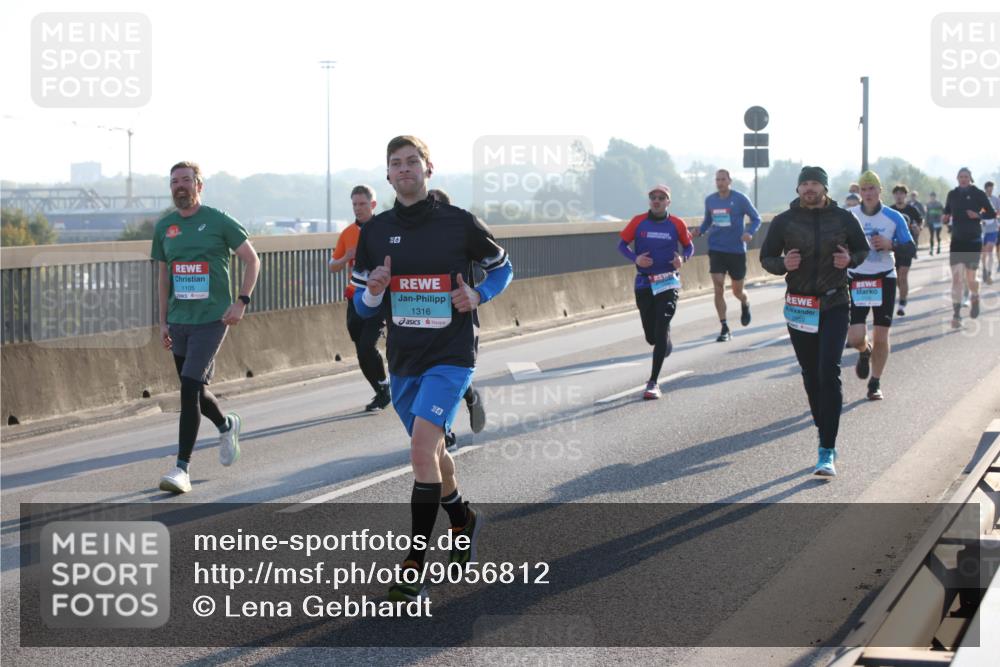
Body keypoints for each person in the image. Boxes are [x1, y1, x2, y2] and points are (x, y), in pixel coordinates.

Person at [352, 136, 513, 601]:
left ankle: (413, 564)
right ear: (388, 175)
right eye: (396, 164)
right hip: (404, 360)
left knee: (422, 449)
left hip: (452, 354)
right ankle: (463, 516)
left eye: (412, 162)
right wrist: (376, 291)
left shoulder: (458, 223)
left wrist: (478, 294)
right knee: (433, 453)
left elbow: (503, 268)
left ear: (428, 169)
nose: (404, 170)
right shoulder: (375, 231)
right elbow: (365, 311)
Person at [152, 161, 260, 494]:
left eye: (186, 180)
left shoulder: (217, 220)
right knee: (196, 389)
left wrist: (241, 301)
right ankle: (227, 425)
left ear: (199, 185)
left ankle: (181, 468)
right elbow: (163, 275)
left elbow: (252, 259)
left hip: (213, 319)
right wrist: (162, 321)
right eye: (174, 182)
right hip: (179, 320)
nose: (180, 186)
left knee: (188, 388)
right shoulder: (165, 227)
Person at [760, 166, 869, 477]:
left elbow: (861, 249)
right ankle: (824, 426)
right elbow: (766, 258)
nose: (809, 188)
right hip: (800, 306)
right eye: (804, 183)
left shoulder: (843, 218)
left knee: (828, 368)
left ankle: (827, 449)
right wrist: (783, 263)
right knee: (810, 373)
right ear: (798, 189)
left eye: (815, 183)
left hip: (835, 301)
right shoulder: (785, 221)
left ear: (824, 188)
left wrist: (850, 260)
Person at [618, 185, 694, 399]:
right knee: (652, 337)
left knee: (660, 327)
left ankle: (653, 382)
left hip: (668, 282)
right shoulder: (638, 221)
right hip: (644, 283)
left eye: (662, 198)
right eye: (653, 197)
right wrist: (636, 259)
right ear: (649, 200)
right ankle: (663, 340)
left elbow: (689, 247)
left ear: (668, 202)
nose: (657, 200)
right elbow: (622, 245)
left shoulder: (677, 223)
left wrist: (683, 259)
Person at [427, 187, 487, 451]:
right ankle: (447, 424)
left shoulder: (462, 233)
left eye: (433, 205)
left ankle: (453, 420)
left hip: (459, 322)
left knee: (449, 378)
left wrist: (476, 292)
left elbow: (493, 266)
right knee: (430, 378)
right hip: (426, 322)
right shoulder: (415, 238)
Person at [847, 171, 914, 401]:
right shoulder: (849, 216)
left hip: (884, 278)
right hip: (856, 278)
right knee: (855, 337)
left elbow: (910, 248)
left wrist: (891, 244)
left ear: (879, 191)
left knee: (881, 335)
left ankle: (875, 382)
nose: (867, 194)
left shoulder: (894, 217)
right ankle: (865, 352)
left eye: (871, 189)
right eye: (864, 189)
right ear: (859, 192)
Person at [330, 185, 391, 411]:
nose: (358, 208)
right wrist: (347, 256)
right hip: (354, 299)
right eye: (354, 204)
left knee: (367, 346)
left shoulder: (384, 229)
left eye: (363, 204)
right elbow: (332, 266)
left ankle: (384, 386)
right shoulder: (347, 233)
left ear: (373, 205)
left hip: (378, 298)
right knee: (360, 351)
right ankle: (381, 390)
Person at [691, 169, 761, 341]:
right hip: (717, 249)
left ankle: (745, 302)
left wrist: (749, 232)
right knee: (718, 286)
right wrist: (700, 231)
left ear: (730, 181)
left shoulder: (740, 199)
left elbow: (756, 218)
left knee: (737, 291)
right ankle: (724, 327)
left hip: (736, 250)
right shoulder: (710, 200)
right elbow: (708, 221)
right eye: (717, 180)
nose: (720, 182)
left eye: (723, 179)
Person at [943, 168, 996, 328]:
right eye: (961, 177)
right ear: (957, 178)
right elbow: (947, 213)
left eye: (966, 177)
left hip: (973, 240)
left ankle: (975, 295)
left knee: (971, 278)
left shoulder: (978, 193)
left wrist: (978, 215)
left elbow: (992, 213)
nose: (963, 179)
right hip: (957, 241)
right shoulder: (952, 194)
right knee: (957, 279)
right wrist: (945, 218)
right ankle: (957, 315)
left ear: (970, 178)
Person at [888, 185, 923, 316]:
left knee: (903, 275)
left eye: (901, 193)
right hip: (893, 247)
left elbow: (920, 222)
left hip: (907, 246)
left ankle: (902, 303)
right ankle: (903, 295)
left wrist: (918, 228)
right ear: (894, 195)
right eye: (896, 193)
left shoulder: (911, 210)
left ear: (905, 195)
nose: (899, 196)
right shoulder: (890, 210)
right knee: (896, 277)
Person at [981, 181, 998, 285]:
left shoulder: (996, 200)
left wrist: (996, 215)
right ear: (985, 188)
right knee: (984, 252)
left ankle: (989, 272)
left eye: (992, 188)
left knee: (990, 250)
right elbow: (979, 212)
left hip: (993, 228)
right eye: (989, 188)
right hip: (983, 229)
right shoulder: (981, 200)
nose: (990, 190)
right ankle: (984, 268)